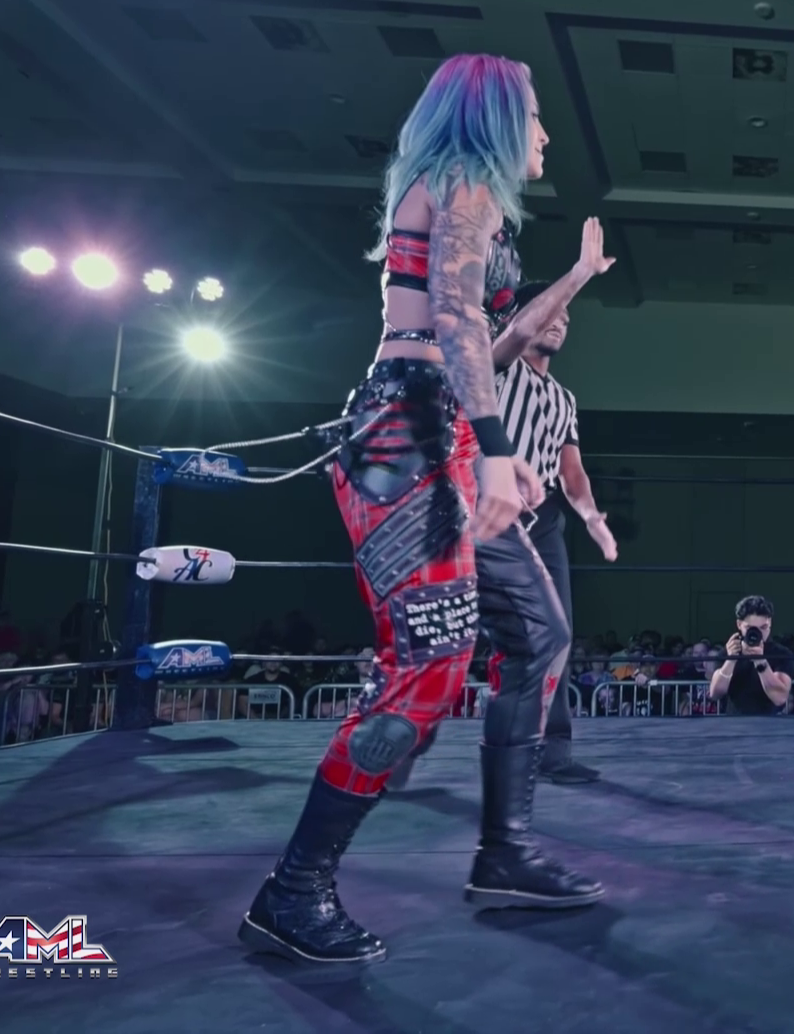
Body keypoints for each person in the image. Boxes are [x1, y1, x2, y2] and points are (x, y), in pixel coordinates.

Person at [239, 54, 601, 967]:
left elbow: (491, 339)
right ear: (495, 117)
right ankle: (292, 892)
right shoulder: (464, 179)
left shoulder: (469, 198)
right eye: (535, 114)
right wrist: (500, 451)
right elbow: (453, 319)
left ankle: (505, 852)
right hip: (406, 437)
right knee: (430, 668)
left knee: (540, 633)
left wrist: (488, 439)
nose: (545, 133)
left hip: (446, 432)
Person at [389, 240, 618, 790]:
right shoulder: (495, 367)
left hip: (543, 524)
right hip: (476, 512)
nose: (560, 322)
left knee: (555, 636)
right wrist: (579, 273)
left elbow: (572, 472)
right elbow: (516, 333)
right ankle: (401, 744)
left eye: (567, 319)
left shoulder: (564, 399)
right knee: (445, 634)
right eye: (552, 312)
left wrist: (591, 517)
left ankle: (551, 751)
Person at [706, 596, 794, 715]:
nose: (757, 633)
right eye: (750, 628)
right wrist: (731, 660)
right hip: (735, 722)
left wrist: (761, 662)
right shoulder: (727, 652)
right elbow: (715, 694)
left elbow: (779, 698)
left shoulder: (782, 654)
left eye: (763, 627)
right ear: (739, 624)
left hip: (770, 722)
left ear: (770, 623)